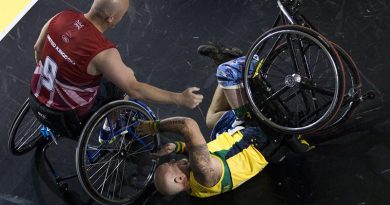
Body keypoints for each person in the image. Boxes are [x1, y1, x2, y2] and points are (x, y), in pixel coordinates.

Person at [136, 43, 313, 198]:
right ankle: (248, 66)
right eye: (172, 164)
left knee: (211, 120)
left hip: (231, 136)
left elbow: (197, 154)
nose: (173, 160)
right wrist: (154, 126)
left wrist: (178, 147)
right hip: (257, 137)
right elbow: (188, 125)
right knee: (225, 73)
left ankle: (232, 71)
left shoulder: (196, 185)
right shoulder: (205, 175)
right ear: (179, 179)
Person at [29, 0, 203, 139]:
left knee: (92, 74)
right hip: (68, 118)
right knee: (119, 85)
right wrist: (179, 98)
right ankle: (111, 128)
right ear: (111, 18)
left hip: (36, 99)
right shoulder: (104, 53)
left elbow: (38, 48)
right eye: (123, 14)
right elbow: (136, 90)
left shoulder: (61, 17)